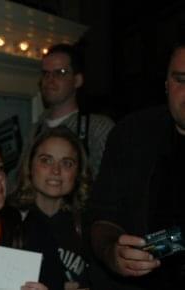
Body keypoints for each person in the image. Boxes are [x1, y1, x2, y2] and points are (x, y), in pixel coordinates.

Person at [89, 42, 185, 290]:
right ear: (166, 85)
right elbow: (102, 216)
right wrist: (113, 252)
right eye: (180, 79)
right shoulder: (132, 134)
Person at [10, 126, 92, 290]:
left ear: (78, 173)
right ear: (30, 166)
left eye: (67, 163)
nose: (56, 171)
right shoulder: (10, 221)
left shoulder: (90, 223)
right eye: (46, 160)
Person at [30, 43, 114, 177]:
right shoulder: (35, 131)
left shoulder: (98, 128)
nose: (50, 79)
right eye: (46, 73)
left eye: (60, 73)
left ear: (77, 80)